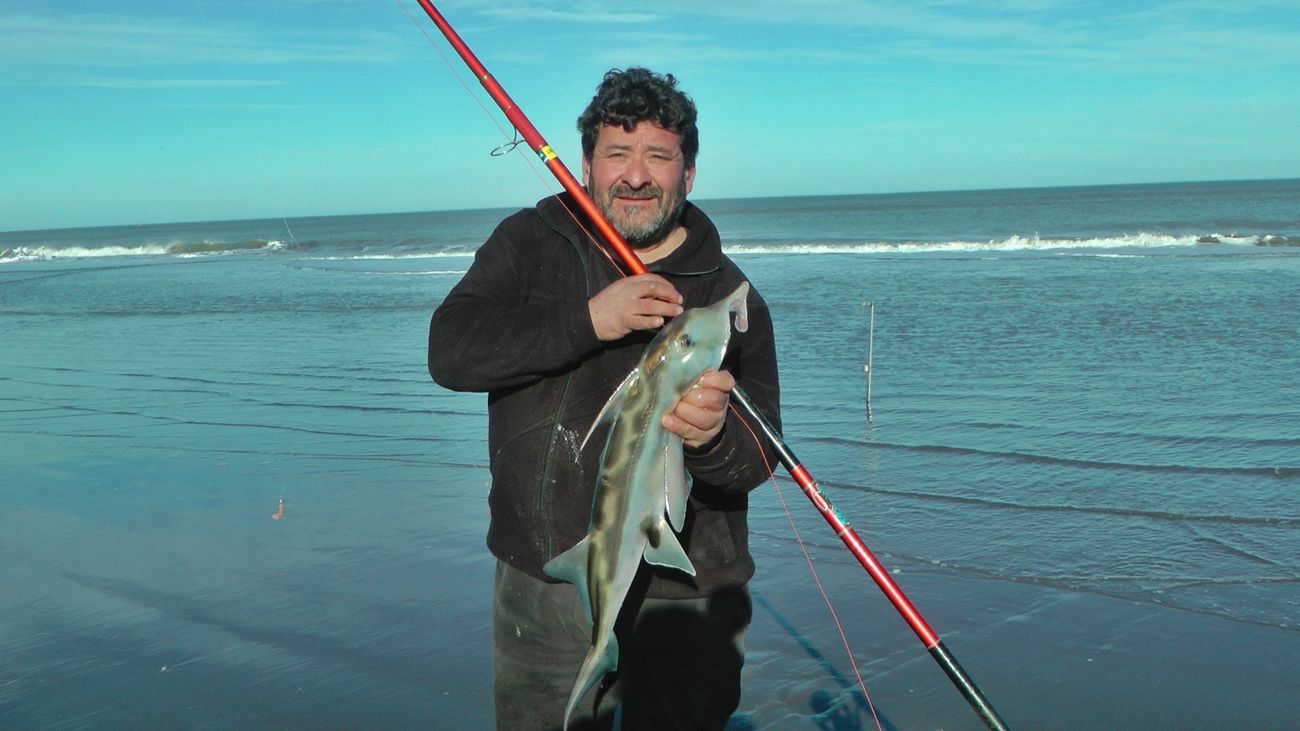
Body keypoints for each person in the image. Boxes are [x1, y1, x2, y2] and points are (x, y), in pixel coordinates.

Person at [428, 67, 781, 731]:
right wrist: (587, 321)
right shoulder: (531, 243)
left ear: (688, 172)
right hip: (544, 583)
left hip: (688, 596)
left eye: (659, 156)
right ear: (587, 165)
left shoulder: (727, 297)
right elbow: (450, 351)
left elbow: (762, 457)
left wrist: (713, 438)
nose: (636, 176)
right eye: (618, 153)